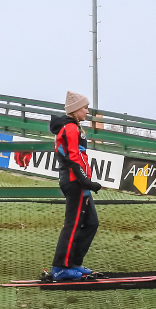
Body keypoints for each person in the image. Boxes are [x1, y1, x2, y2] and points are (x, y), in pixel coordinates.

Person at [43, 91, 102, 281]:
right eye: (85, 107)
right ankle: (61, 268)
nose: (88, 110)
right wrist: (86, 181)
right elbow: (72, 157)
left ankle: (74, 263)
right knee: (73, 225)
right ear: (75, 110)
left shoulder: (75, 127)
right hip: (75, 182)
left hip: (80, 183)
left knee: (91, 223)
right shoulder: (69, 128)